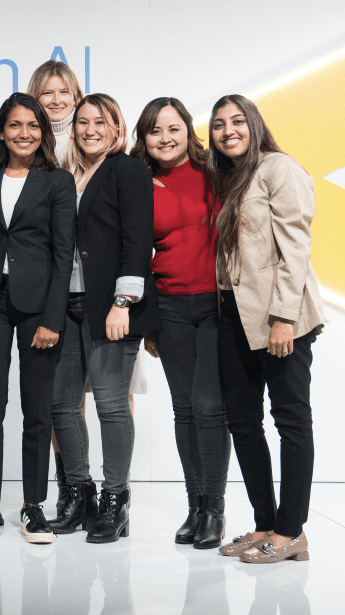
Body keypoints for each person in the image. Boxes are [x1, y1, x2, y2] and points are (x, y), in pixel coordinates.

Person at [209, 95, 324, 564]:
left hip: (281, 317)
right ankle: (265, 524)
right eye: (218, 125)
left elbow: (295, 248)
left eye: (237, 121)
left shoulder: (280, 169)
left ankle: (292, 531)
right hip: (235, 315)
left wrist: (284, 318)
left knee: (290, 419)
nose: (228, 130)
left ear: (255, 124)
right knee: (242, 420)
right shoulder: (231, 178)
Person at [0, 93, 75, 545]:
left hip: (38, 307)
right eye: (14, 125)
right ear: (1, 130)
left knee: (36, 411)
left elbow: (63, 252)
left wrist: (54, 317)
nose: (23, 133)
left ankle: (33, 507)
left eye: (32, 125)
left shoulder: (58, 181)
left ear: (42, 132)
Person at [49, 93, 159, 544]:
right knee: (61, 404)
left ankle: (115, 500)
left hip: (109, 305)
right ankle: (79, 495)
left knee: (112, 405)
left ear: (116, 128)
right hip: (66, 304)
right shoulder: (67, 175)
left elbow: (138, 238)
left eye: (100, 121)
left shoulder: (127, 170)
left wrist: (124, 302)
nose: (90, 129)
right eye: (82, 122)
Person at [132, 97, 231, 549]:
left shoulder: (217, 170)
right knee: (184, 409)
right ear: (145, 138)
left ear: (188, 129)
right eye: (155, 131)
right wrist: (148, 321)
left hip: (216, 303)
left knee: (210, 407)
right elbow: (137, 253)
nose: (165, 138)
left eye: (173, 128)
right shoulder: (140, 181)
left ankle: (215, 508)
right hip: (170, 306)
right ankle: (194, 505)